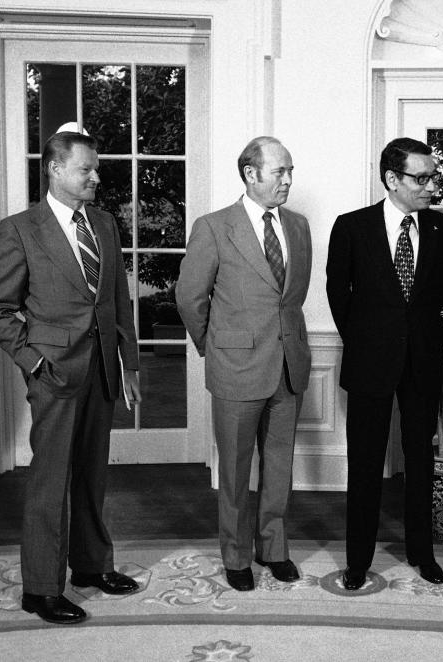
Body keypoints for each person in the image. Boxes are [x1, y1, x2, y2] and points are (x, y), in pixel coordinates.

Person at [0, 130, 142, 625]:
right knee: (50, 482)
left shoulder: (106, 224)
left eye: (96, 169)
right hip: (53, 373)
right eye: (85, 169)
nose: (96, 177)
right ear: (53, 169)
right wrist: (33, 362)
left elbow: (117, 301)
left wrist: (129, 364)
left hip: (102, 371)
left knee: (93, 476)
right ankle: (41, 589)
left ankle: (92, 567)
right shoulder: (20, 230)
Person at [175, 136, 312, 592]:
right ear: (251, 174)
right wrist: (215, 347)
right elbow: (190, 298)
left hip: (288, 365)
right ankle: (235, 556)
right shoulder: (214, 227)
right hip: (235, 368)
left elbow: (290, 301)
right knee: (234, 471)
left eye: (290, 170)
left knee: (278, 466)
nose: (288, 180)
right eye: (280, 172)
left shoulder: (299, 226)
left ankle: (273, 548)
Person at [326, 137, 443, 590]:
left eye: (432, 176)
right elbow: (338, 296)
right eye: (421, 178)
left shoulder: (441, 229)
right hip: (369, 364)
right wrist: (367, 344)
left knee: (421, 463)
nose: (430, 186)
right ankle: (357, 560)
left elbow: (438, 299)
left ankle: (423, 553)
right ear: (391, 179)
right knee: (365, 464)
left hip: (422, 364)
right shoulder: (352, 227)